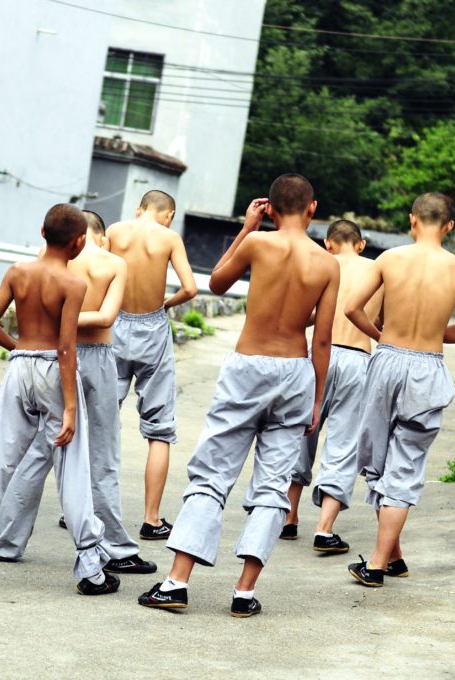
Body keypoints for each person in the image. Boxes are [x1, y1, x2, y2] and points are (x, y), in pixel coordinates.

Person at [138, 174, 339, 617]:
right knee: (273, 485)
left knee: (212, 472)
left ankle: (176, 582)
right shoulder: (327, 264)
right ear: (312, 209)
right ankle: (244, 592)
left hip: (248, 366)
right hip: (295, 372)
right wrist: (318, 399)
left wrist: (248, 228)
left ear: (270, 208)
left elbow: (217, 284)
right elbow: (322, 340)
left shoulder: (258, 245)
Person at [0, 204, 117, 596]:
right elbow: (67, 347)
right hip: (55, 370)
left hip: (20, 367)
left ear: (41, 232)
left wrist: (17, 348)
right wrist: (70, 407)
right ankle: (91, 568)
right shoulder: (74, 286)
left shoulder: (18, 272)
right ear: (80, 242)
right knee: (72, 465)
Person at [0, 210, 157, 574]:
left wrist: (46, 331)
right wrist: (63, 327)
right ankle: (116, 549)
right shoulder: (112, 263)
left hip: (52, 356)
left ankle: (5, 540)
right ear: (96, 236)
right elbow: (108, 317)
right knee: (101, 455)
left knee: (39, 452)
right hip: (91, 357)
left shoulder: (55, 263)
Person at [344, 192, 455, 587]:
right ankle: (391, 557)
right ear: (449, 226)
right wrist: (434, 333)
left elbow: (353, 309)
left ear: (412, 221)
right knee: (405, 464)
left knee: (378, 460)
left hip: (386, 360)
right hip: (427, 367)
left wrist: (382, 334)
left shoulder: (389, 259)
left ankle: (378, 564)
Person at [281, 220, 384, 552]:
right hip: (358, 358)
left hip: (318, 355)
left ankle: (289, 518)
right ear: (361, 244)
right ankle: (324, 530)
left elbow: (306, 315)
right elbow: (380, 319)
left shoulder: (320, 264)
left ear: (328, 244)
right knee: (343, 443)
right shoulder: (375, 271)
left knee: (302, 434)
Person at [106, 190, 198, 540]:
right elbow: (190, 288)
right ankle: (152, 518)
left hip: (113, 324)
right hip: (152, 325)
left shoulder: (114, 231)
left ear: (138, 209)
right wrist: (166, 304)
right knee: (159, 428)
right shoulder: (170, 237)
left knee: (101, 417)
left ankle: (83, 509)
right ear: (169, 214)